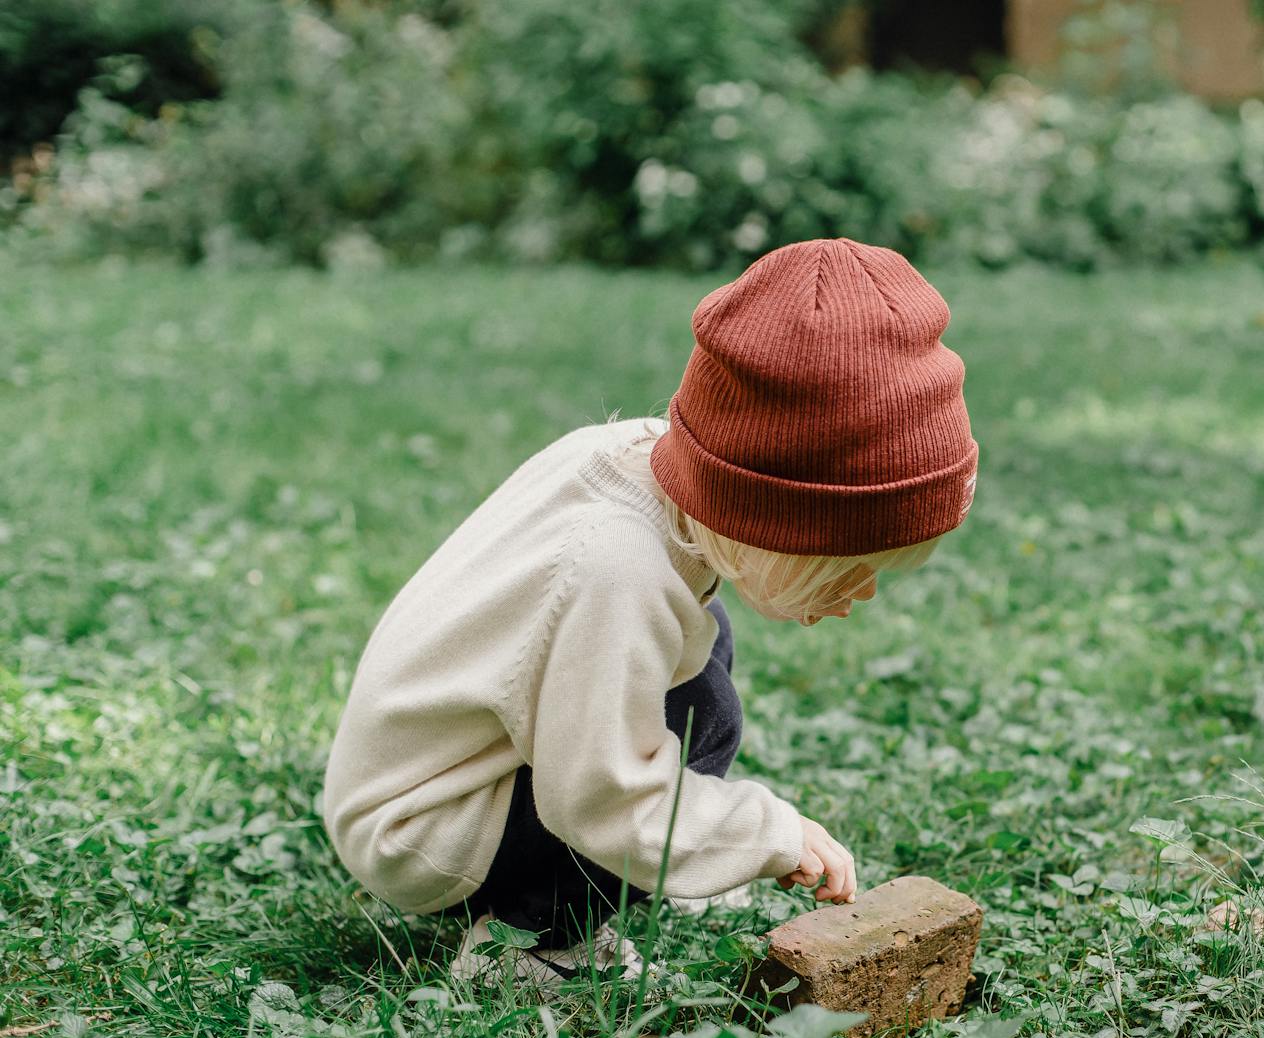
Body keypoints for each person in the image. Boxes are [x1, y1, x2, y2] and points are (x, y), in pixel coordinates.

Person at [321, 238, 978, 987]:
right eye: (849, 567)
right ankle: (531, 942)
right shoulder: (613, 572)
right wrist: (766, 832)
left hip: (449, 762)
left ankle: (656, 855)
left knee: (700, 668)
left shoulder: (649, 469)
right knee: (702, 719)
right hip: (420, 822)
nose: (860, 595)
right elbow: (602, 800)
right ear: (773, 515)